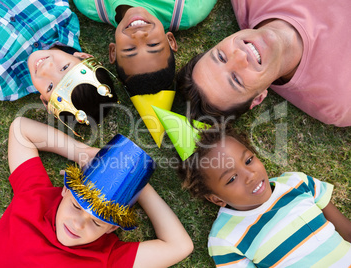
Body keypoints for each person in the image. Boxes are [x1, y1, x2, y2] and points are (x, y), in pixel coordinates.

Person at [0, 116, 193, 267]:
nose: (78, 225)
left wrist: (140, 185)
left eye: (97, 222)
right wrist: (80, 152)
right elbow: (21, 129)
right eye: (77, 206)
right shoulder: (35, 197)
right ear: (66, 190)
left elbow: (180, 246)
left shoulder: (107, 257)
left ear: (112, 228)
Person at [178, 125, 351, 267]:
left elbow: (347, 231)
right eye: (231, 178)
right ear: (217, 199)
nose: (250, 175)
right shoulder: (225, 238)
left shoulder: (297, 182)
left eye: (248, 160)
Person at [177, 0, 351, 127]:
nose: (239, 57)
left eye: (221, 57)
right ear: (258, 97)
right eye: (236, 80)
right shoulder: (338, 101)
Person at [73, 0, 217, 146]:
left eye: (130, 50)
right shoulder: (188, 10)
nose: (139, 34)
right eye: (153, 45)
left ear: (113, 51)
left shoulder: (91, 5)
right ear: (170, 40)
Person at [0, 0, 117, 123]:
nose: (47, 68)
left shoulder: (7, 80)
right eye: (65, 67)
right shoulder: (62, 19)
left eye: (50, 87)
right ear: (83, 56)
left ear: (45, 101)